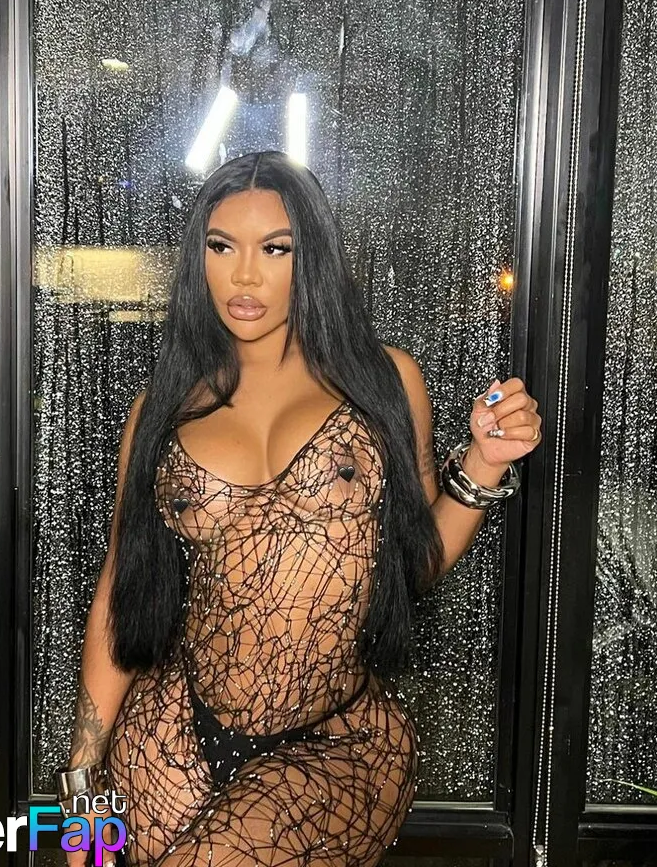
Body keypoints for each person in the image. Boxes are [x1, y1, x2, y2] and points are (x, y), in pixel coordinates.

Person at [56, 150, 541, 866]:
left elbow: (413, 565)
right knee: (100, 863)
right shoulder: (160, 411)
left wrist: (483, 465)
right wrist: (81, 781)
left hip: (337, 738)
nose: (244, 276)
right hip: (171, 722)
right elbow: (119, 593)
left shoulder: (383, 382)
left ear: (310, 256)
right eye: (222, 247)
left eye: (275, 249)